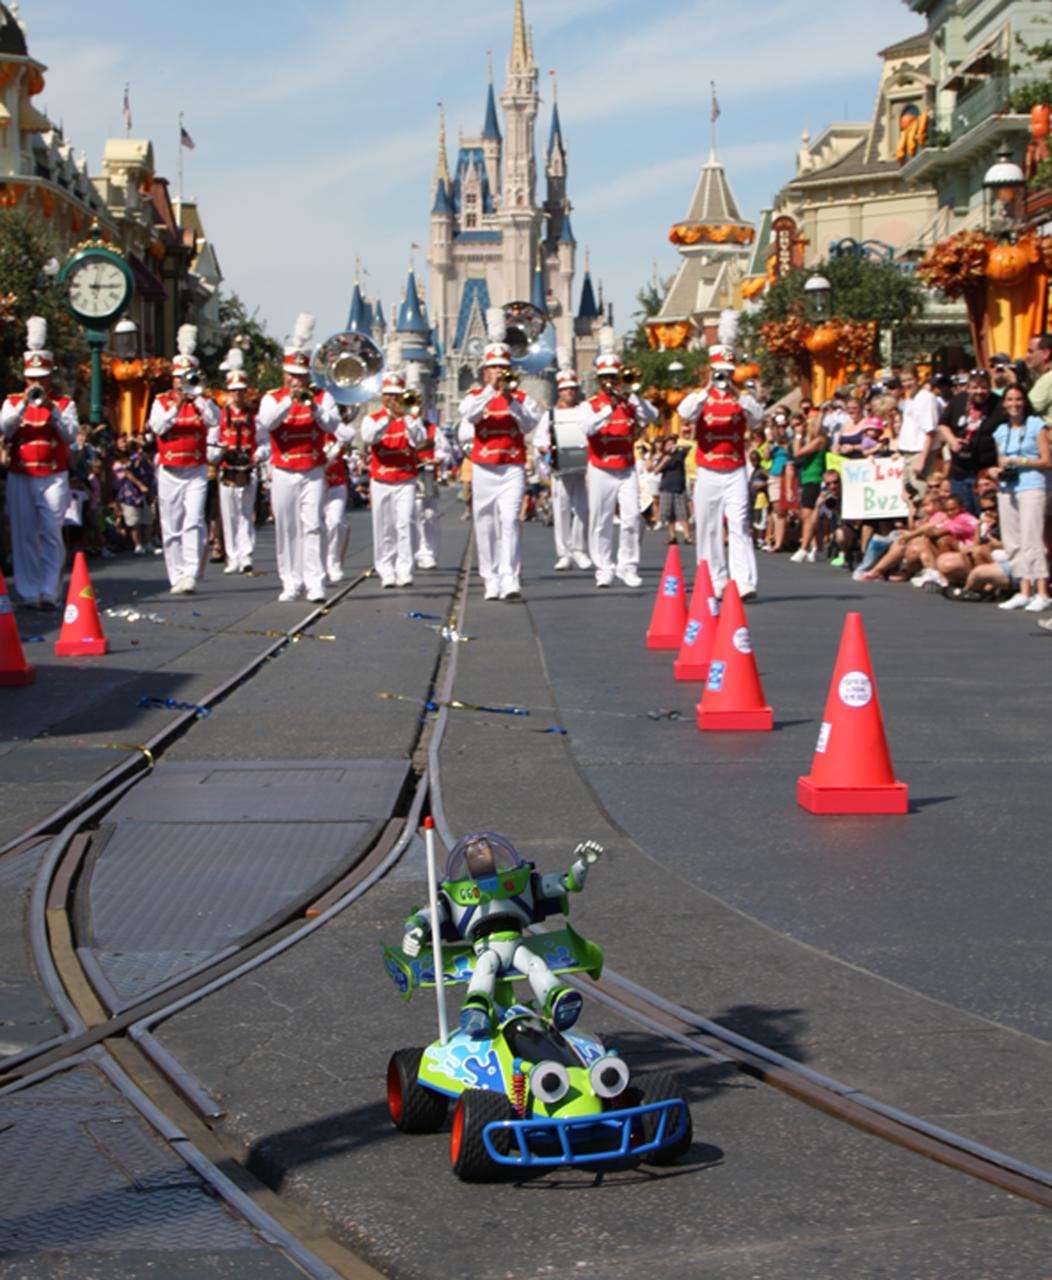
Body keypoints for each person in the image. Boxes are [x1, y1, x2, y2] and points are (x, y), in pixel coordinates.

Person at [400, 831, 604, 1036]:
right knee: (485, 967)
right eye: (474, 850)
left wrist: (583, 865)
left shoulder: (521, 881)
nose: (479, 852)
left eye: (483, 848)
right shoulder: (453, 895)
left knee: (536, 965)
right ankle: (476, 1009)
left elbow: (567, 883)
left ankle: (556, 999)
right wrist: (415, 930)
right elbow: (426, 916)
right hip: (486, 947)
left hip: (516, 944)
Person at [256, 313, 345, 602]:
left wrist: (313, 407)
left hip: (312, 470)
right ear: (284, 374)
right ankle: (290, 581)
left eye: (300, 376)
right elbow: (267, 422)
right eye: (291, 375)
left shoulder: (321, 397)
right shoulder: (272, 397)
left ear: (308, 375)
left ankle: (314, 581)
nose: (296, 380)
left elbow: (333, 425)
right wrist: (289, 400)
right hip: (283, 469)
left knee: (313, 525)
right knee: (287, 527)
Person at [458, 320, 542, 601]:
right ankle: (490, 578)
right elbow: (468, 415)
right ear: (485, 372)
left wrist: (511, 401)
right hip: (484, 467)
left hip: (512, 467)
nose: (499, 373)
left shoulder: (521, 398)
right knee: (485, 523)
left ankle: (509, 578)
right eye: (494, 368)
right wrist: (489, 392)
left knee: (509, 520)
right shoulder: (476, 397)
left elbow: (530, 424)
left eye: (504, 368)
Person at [0, 316, 79, 608]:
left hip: (53, 475)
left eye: (41, 378)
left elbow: (70, 434)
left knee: (50, 531)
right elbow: (6, 428)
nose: (37, 383)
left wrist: (51, 409)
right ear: (25, 377)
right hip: (21, 475)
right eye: (32, 378)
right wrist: (24, 403)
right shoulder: (11, 402)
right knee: (23, 534)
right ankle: (29, 591)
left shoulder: (64, 404)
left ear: (50, 378)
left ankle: (50, 589)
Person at [678, 344, 762, 599]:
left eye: (727, 372)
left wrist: (737, 391)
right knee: (708, 525)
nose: (723, 377)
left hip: (735, 467)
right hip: (708, 469)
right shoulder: (702, 398)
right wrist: (706, 388)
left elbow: (758, 417)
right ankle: (714, 579)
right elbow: (684, 413)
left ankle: (743, 581)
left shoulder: (741, 398)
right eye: (719, 372)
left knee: (739, 523)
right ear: (711, 371)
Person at [147, 324, 220, 595]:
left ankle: (189, 572)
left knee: (194, 521)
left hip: (196, 469)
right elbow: (158, 427)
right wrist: (177, 405)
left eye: (186, 377)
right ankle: (175, 574)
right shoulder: (161, 402)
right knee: (171, 525)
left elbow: (215, 421)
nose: (181, 382)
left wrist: (199, 400)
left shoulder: (203, 402)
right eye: (178, 377)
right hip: (169, 470)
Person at [578, 348, 659, 588]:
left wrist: (634, 397)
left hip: (626, 467)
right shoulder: (591, 405)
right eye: (606, 377)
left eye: (614, 376)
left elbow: (652, 416)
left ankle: (628, 566)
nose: (611, 381)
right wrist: (609, 408)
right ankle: (604, 567)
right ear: (600, 380)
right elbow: (587, 428)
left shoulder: (630, 404)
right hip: (601, 467)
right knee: (601, 520)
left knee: (632, 517)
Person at [360, 372, 427, 588]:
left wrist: (407, 416)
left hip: (405, 478)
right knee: (384, 526)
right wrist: (387, 418)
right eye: (388, 395)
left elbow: (420, 440)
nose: (392, 400)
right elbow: (369, 438)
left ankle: (404, 569)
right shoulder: (372, 419)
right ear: (382, 396)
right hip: (381, 479)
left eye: (396, 395)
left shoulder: (411, 419)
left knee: (405, 523)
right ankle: (385, 569)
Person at [992, 385, 1051, 612]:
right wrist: (996, 471)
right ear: (1004, 404)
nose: (1014, 404)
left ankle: (1042, 591)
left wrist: (1021, 461)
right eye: (1010, 400)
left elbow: (1047, 460)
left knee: (1032, 539)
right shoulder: (1001, 431)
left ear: (1024, 402)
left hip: (1032, 486)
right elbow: (1001, 462)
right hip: (1008, 487)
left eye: (1018, 399)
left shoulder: (1037, 426)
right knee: (1013, 541)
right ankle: (1024, 590)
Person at [532, 366, 591, 571]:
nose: (570, 392)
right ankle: (564, 553)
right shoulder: (550, 415)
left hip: (581, 468)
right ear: (560, 392)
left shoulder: (585, 410)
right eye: (566, 389)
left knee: (583, 510)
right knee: (562, 510)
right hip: (560, 468)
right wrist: (544, 449)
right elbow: (539, 439)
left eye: (572, 389)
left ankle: (579, 549)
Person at [213, 348, 259, 575]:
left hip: (247, 466)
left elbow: (262, 440)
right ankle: (232, 556)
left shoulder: (253, 414)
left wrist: (260, 455)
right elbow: (213, 441)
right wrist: (219, 451)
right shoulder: (221, 415)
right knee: (229, 513)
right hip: (227, 467)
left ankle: (246, 553)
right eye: (234, 391)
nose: (238, 395)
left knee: (246, 511)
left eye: (241, 391)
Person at [936, 369, 1003, 515]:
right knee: (962, 515)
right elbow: (943, 424)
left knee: (986, 515)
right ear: (968, 387)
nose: (979, 391)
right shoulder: (959, 400)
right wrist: (952, 440)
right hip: (960, 472)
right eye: (975, 387)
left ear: (990, 388)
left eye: (984, 387)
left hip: (985, 473)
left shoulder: (999, 404)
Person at [413, 409, 451, 572]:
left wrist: (439, 458)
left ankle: (427, 552)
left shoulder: (432, 429)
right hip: (401, 475)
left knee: (428, 514)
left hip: (425, 474)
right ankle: (409, 553)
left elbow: (445, 450)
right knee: (408, 516)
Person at [789, 411, 830, 562]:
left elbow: (797, 453)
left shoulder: (819, 440)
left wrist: (798, 436)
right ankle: (817, 548)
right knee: (812, 515)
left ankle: (804, 547)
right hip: (807, 478)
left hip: (815, 478)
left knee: (809, 515)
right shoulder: (813, 440)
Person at [894, 363, 939, 501]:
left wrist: (921, 461)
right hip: (907, 453)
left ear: (917, 378)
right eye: (904, 381)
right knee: (908, 498)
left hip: (919, 453)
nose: (907, 384)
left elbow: (930, 432)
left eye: (910, 379)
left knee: (920, 498)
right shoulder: (909, 400)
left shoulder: (926, 398)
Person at [322, 407, 354, 584]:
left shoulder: (338, 428)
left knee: (334, 523)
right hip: (315, 483)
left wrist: (333, 421)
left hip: (336, 483)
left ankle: (333, 563)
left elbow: (349, 435)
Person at [115, 434, 156, 556]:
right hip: (132, 493)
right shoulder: (136, 459)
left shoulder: (150, 463)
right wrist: (140, 485)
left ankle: (147, 543)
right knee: (134, 521)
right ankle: (138, 545)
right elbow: (128, 473)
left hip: (147, 494)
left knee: (148, 519)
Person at [653, 435, 693, 546]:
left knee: (683, 514)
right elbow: (655, 471)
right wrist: (664, 461)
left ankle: (687, 536)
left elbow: (689, 447)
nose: (670, 446)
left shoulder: (680, 454)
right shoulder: (663, 457)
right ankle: (672, 536)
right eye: (668, 444)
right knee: (670, 515)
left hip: (679, 488)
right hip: (666, 487)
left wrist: (677, 446)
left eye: (672, 443)